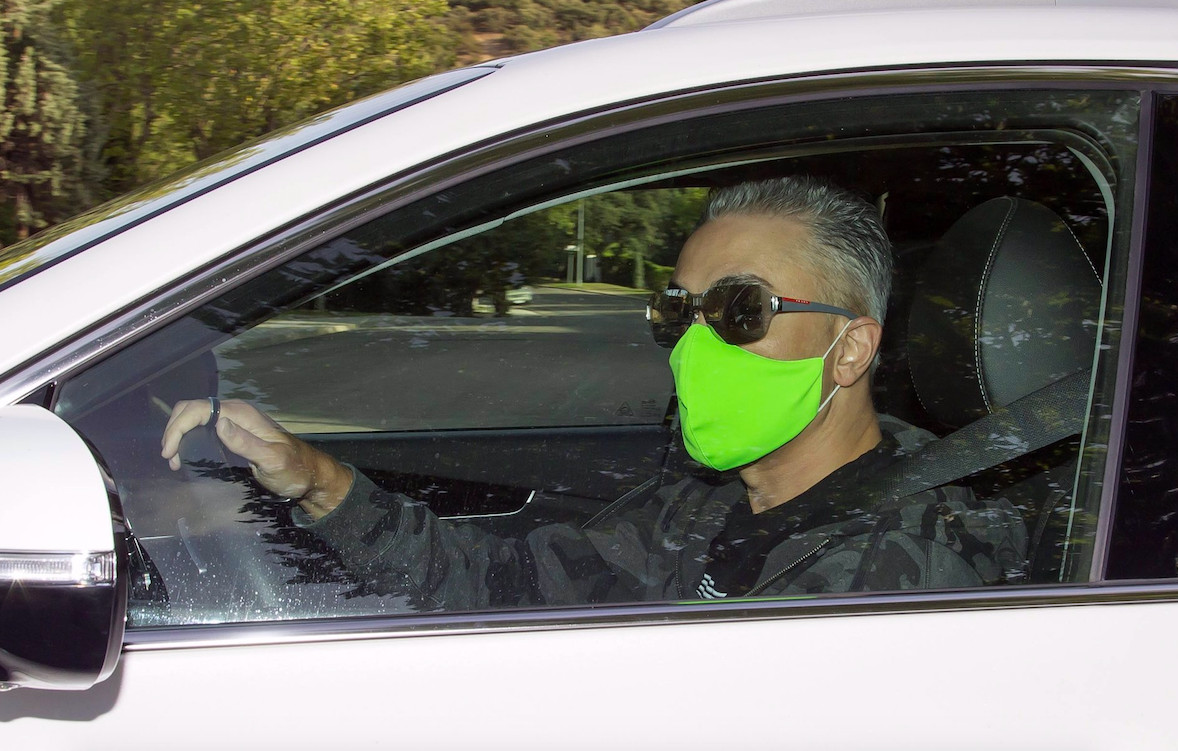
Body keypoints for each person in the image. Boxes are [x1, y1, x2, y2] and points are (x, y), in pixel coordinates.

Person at [161, 176, 1027, 609]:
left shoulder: (900, 579)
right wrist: (313, 475)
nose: (693, 343)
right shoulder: (705, 502)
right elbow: (509, 585)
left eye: (738, 308)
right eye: (677, 311)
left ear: (850, 350)